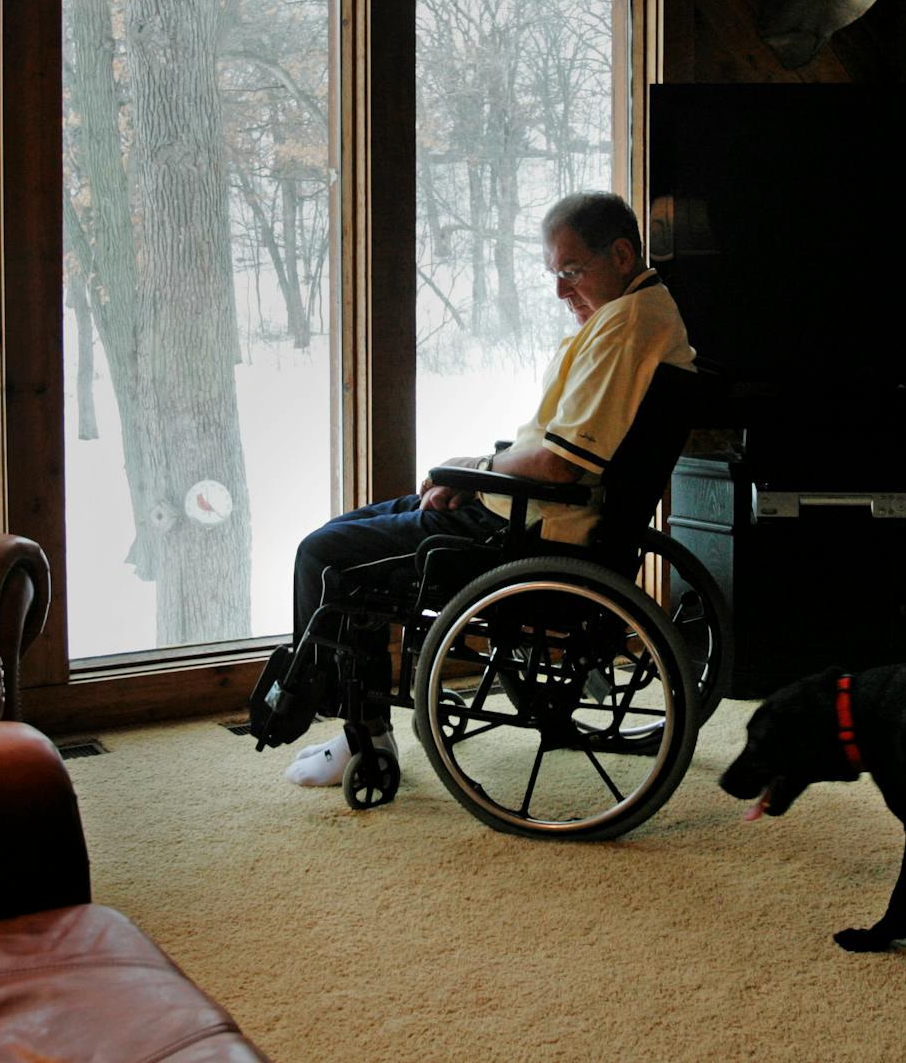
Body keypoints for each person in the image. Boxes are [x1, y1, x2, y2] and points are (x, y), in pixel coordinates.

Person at [283, 191, 697, 787]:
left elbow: (560, 464)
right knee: (339, 534)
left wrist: (475, 466)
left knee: (326, 556)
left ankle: (356, 733)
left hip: (522, 531)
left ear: (624, 254)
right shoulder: (639, 314)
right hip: (517, 510)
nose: (561, 292)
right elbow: (564, 449)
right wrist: (479, 471)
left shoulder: (625, 327)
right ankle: (343, 716)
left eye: (573, 272)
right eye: (555, 275)